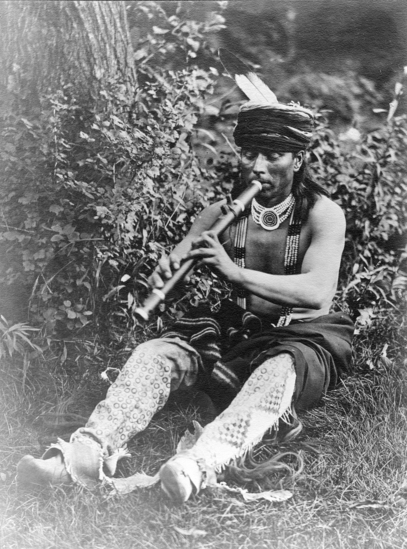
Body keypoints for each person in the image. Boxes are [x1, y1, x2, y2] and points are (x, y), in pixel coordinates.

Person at [17, 97, 354, 503]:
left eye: (274, 155)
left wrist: (233, 271)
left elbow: (318, 291)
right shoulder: (219, 213)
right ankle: (83, 455)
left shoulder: (323, 214)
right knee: (155, 353)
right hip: (238, 329)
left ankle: (197, 465)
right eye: (249, 154)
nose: (258, 167)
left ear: (298, 160)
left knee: (278, 371)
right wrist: (164, 278)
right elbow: (179, 261)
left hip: (300, 338)